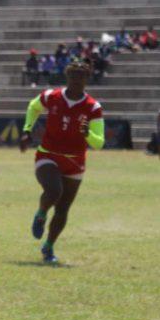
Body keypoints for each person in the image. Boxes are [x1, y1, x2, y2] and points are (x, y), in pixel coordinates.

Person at [19, 61, 104, 264]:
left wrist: (87, 133)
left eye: (81, 77)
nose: (76, 80)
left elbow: (99, 143)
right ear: (67, 77)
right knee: (54, 191)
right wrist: (27, 130)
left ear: (87, 79)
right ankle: (41, 214)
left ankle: (48, 247)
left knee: (63, 208)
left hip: (75, 162)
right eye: (73, 76)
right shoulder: (52, 96)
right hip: (48, 155)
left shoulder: (93, 107)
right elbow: (33, 106)